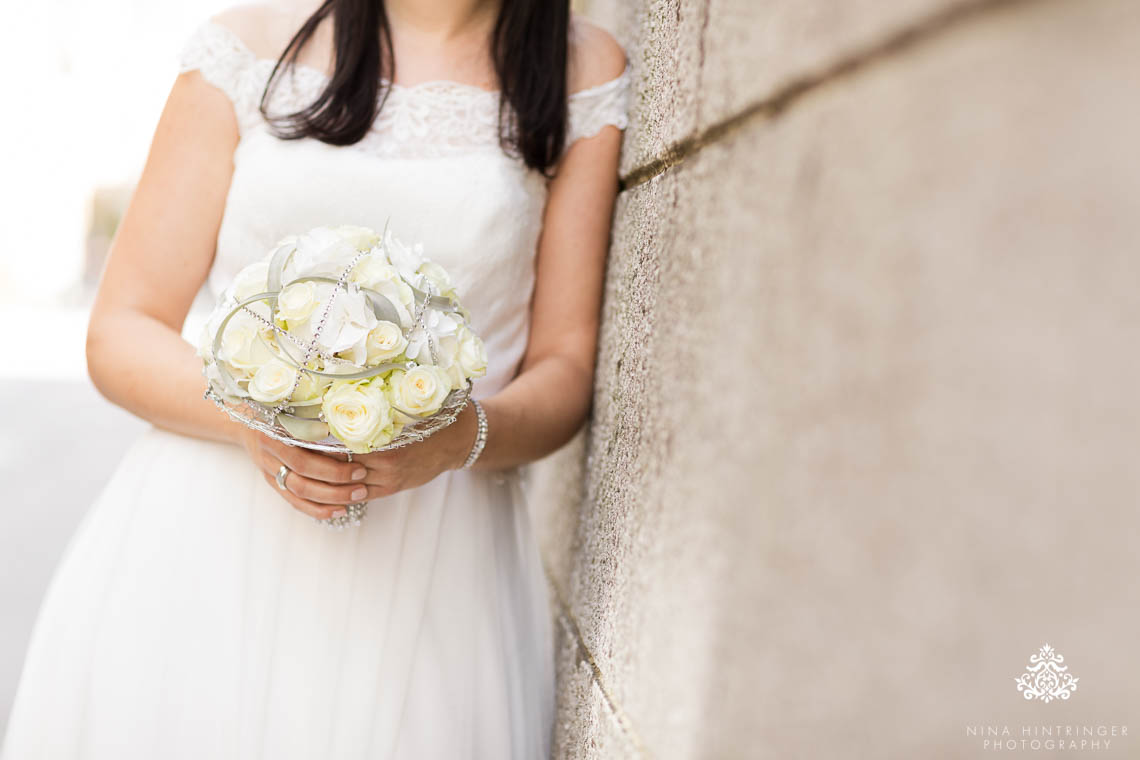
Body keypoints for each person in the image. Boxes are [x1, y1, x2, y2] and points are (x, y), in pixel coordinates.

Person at [0, 0, 628, 756]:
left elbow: (565, 367)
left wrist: (458, 437)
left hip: (436, 560)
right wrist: (251, 417)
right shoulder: (247, 45)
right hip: (206, 538)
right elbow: (122, 327)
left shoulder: (582, 73)